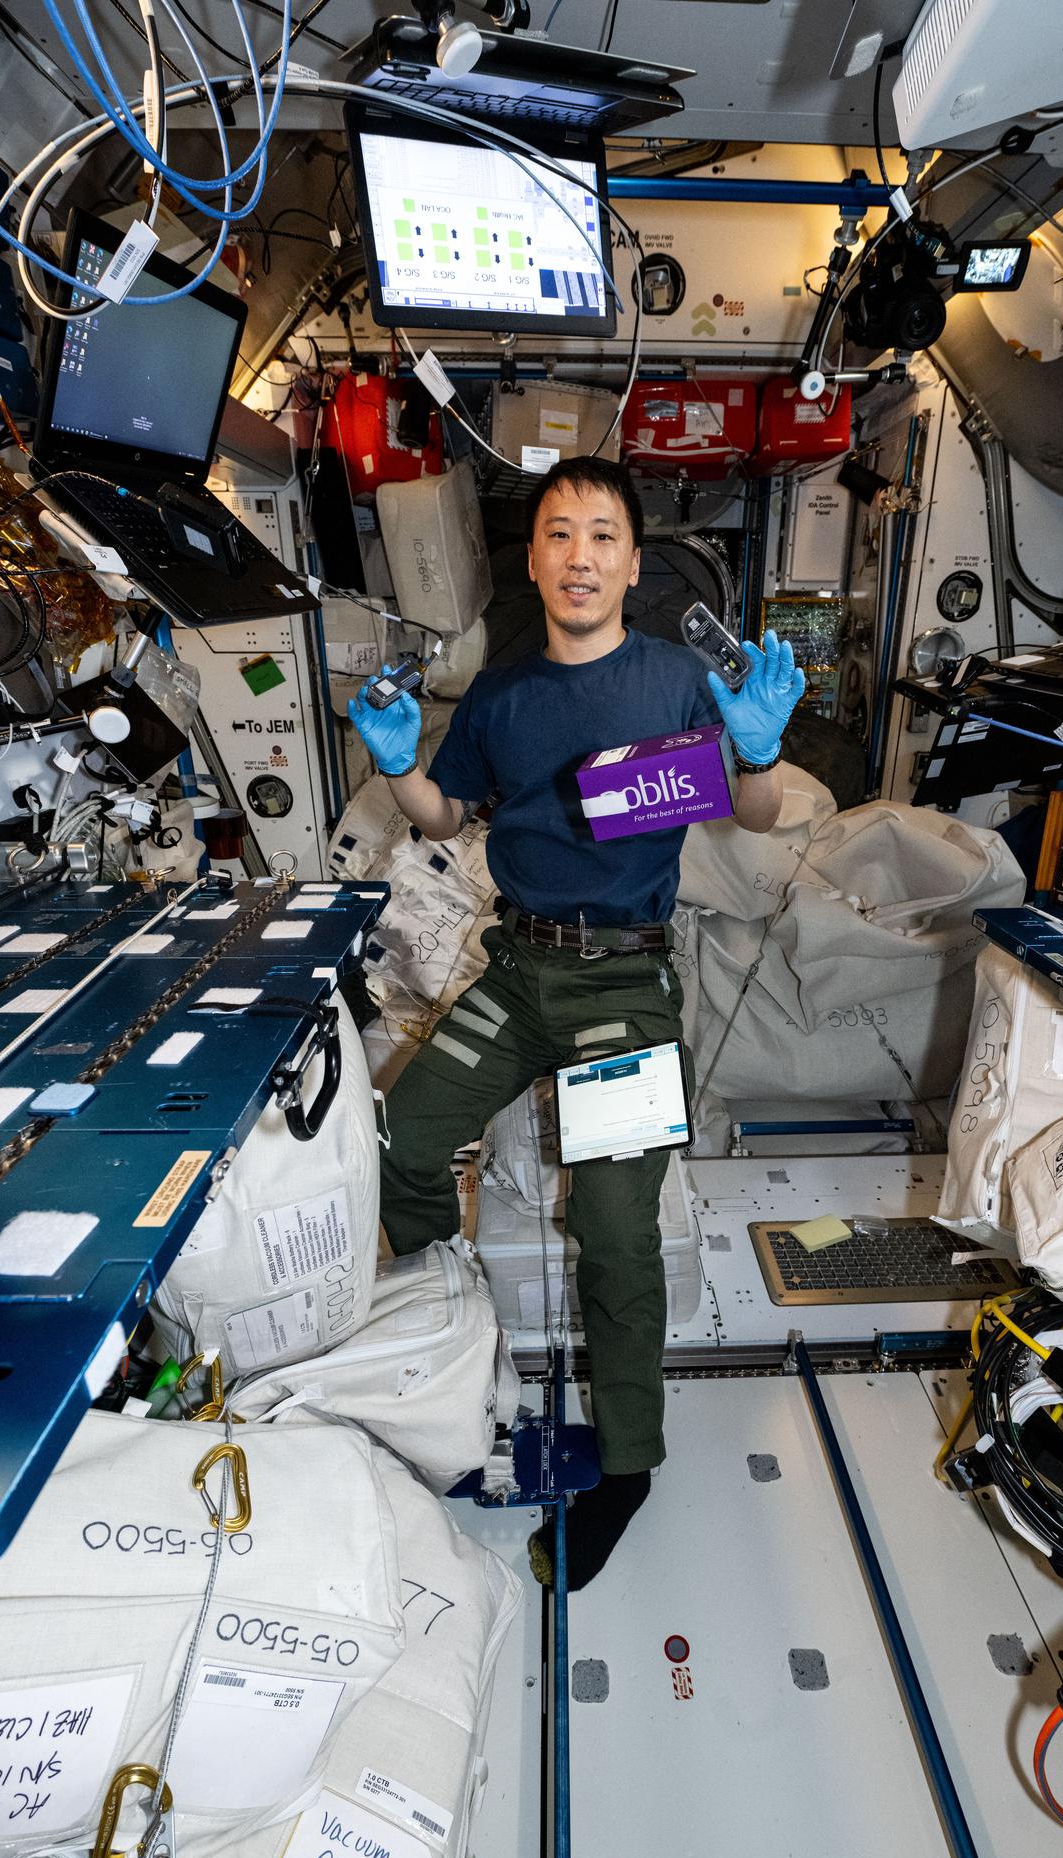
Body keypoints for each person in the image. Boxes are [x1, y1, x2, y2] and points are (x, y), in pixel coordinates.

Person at [349, 455, 803, 1589]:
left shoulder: (671, 681)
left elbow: (754, 817)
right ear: (534, 560)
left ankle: (630, 1464)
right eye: (558, 534)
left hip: (620, 986)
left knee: (611, 1225)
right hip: (516, 973)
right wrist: (398, 765)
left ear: (633, 563)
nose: (580, 555)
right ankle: (448, 1346)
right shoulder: (500, 695)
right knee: (403, 1144)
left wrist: (756, 746)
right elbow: (445, 810)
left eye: (602, 535)